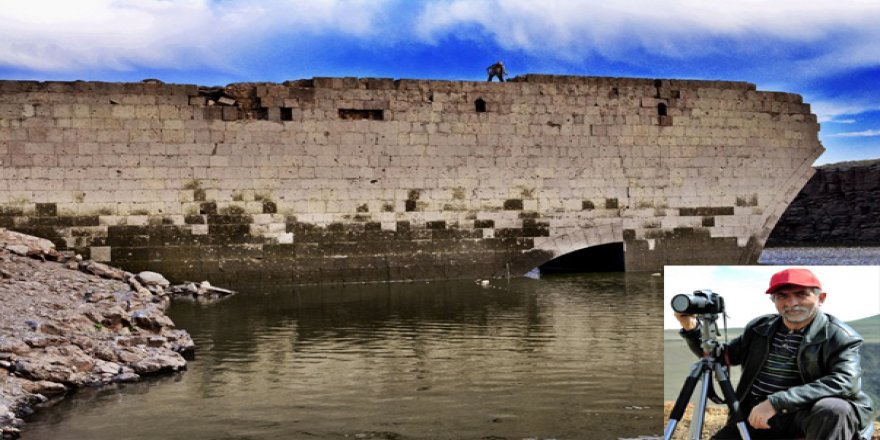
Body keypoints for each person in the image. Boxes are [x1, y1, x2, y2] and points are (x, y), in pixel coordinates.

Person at [674, 268, 874, 440]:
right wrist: (691, 328)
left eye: (801, 294)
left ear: (821, 298)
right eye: (782, 296)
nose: (791, 302)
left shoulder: (840, 336)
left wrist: (776, 402)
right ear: (774, 301)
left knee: (835, 409)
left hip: (806, 415)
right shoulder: (761, 328)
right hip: (758, 415)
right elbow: (720, 357)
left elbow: (846, 381)